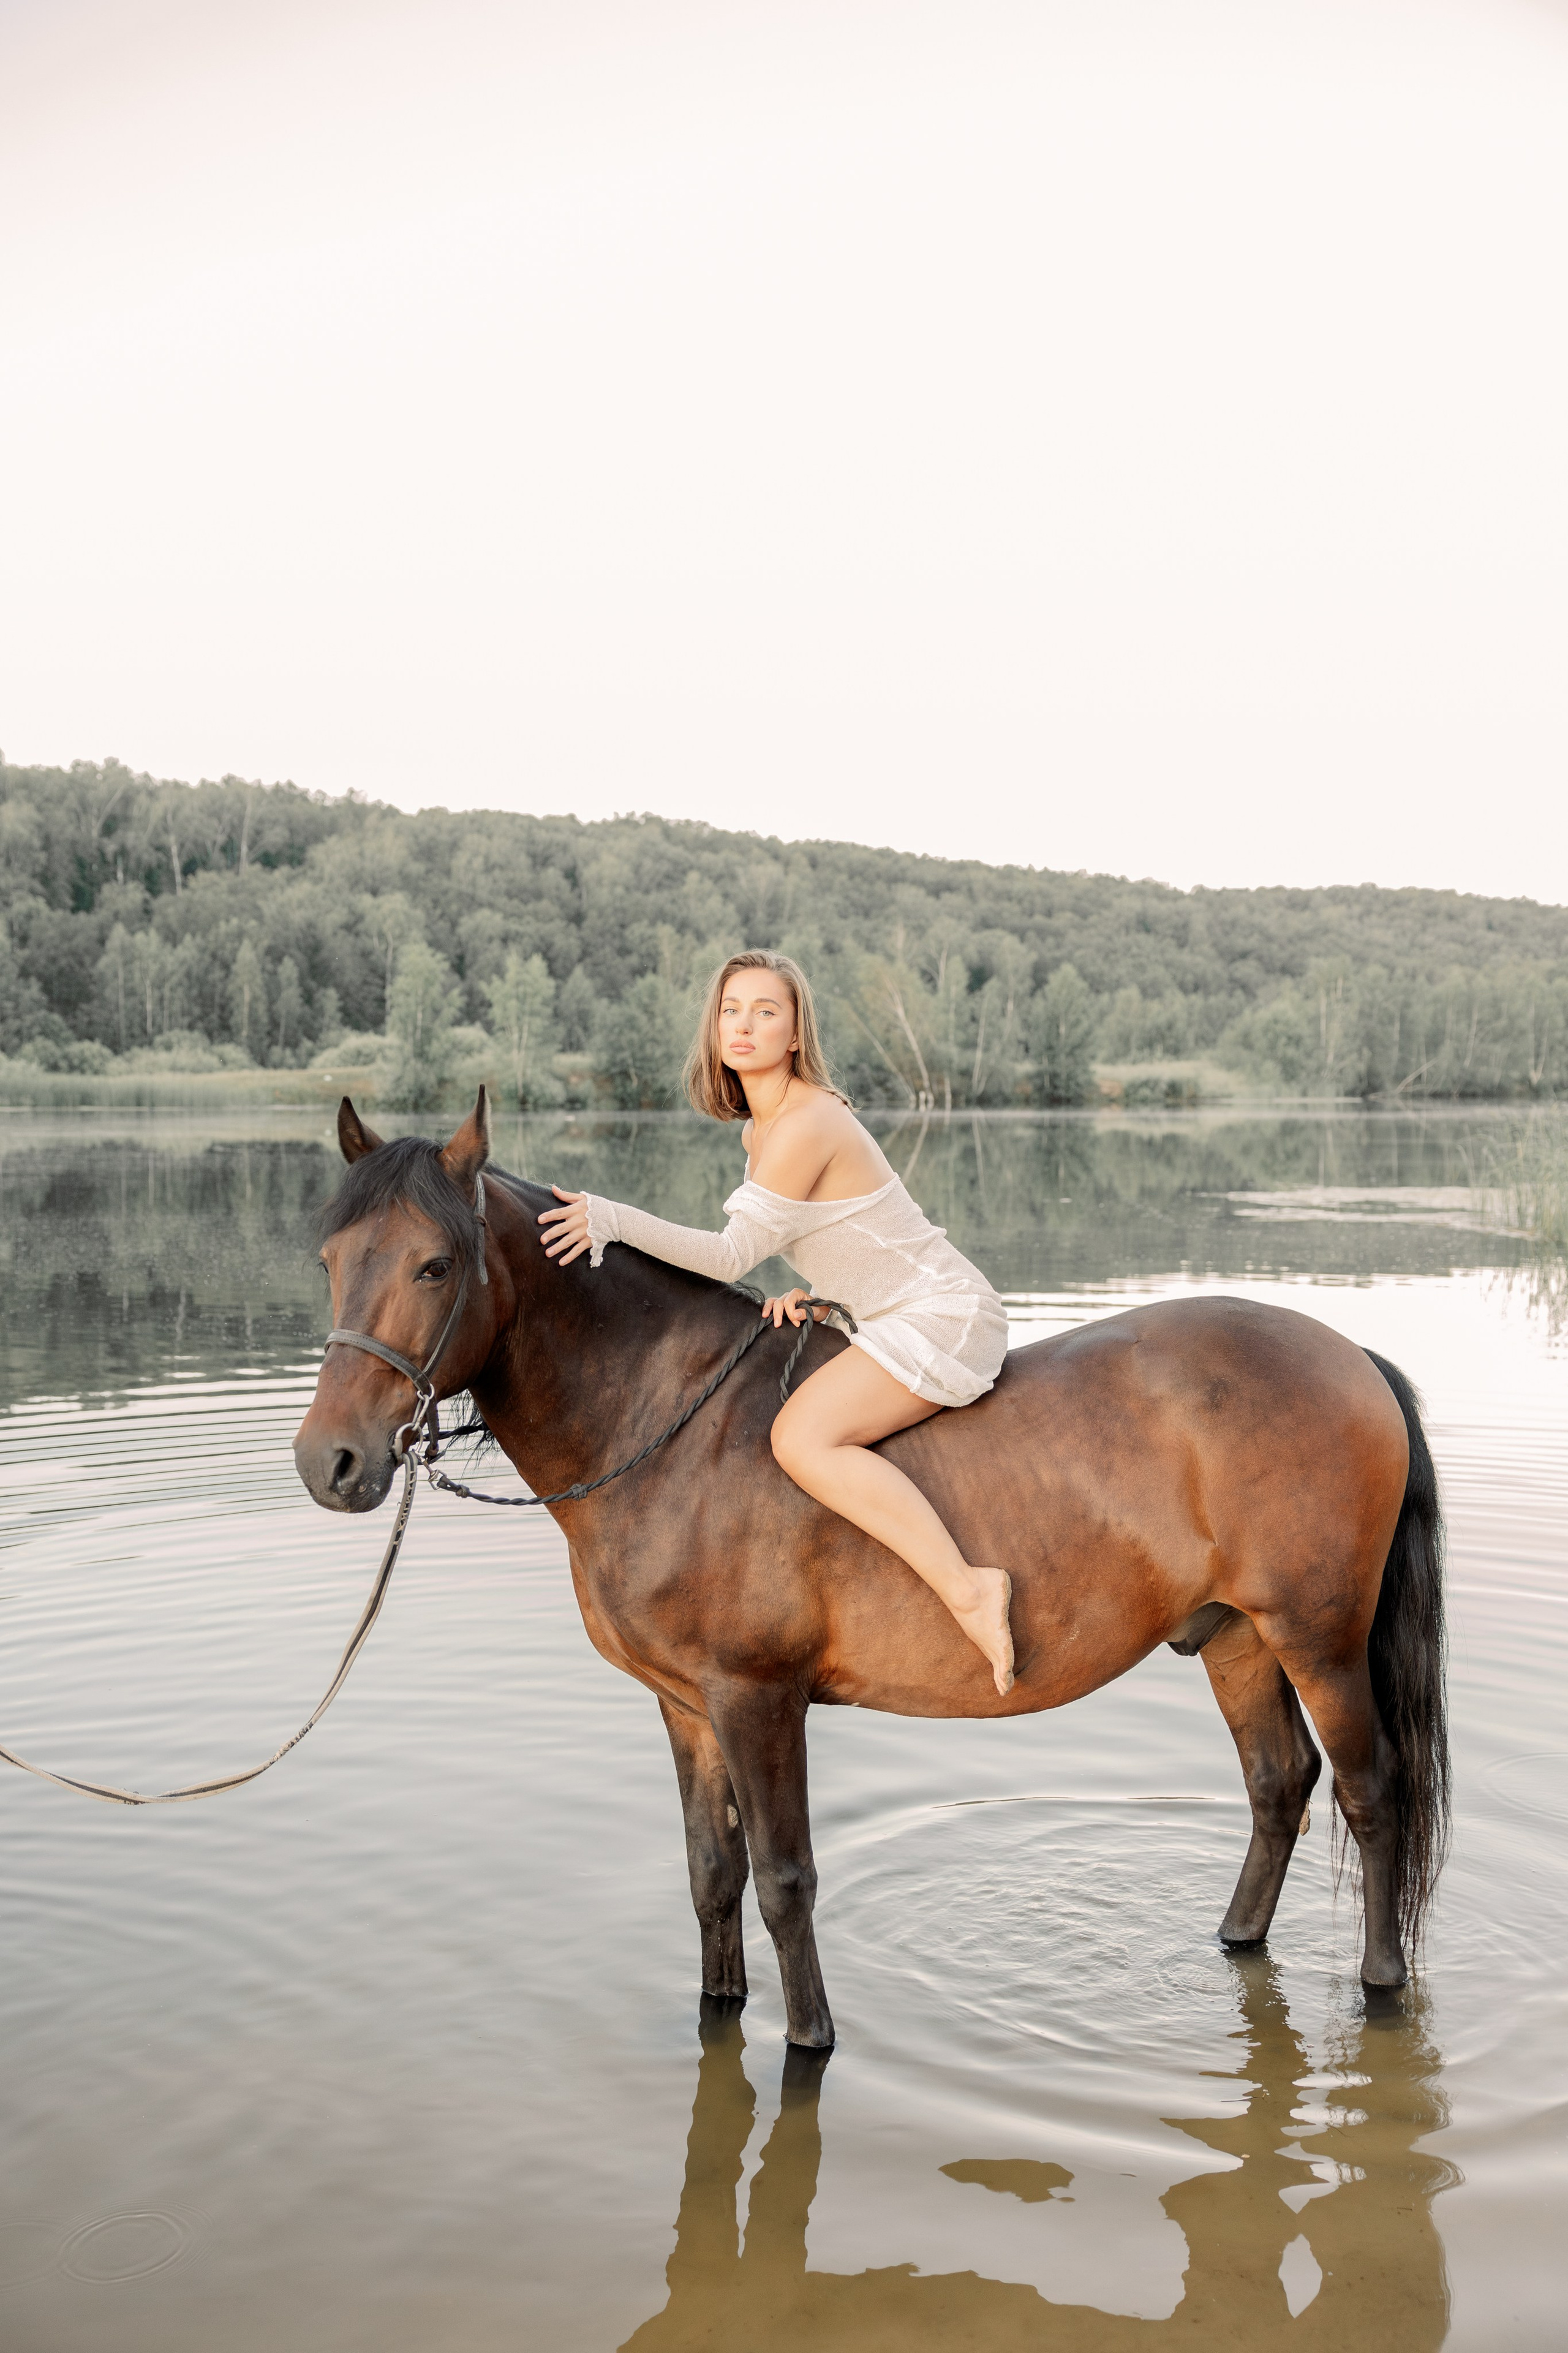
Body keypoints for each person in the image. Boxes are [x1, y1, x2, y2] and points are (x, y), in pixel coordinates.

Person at [538, 951, 1015, 1695]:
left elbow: (729, 1257)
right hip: (886, 1313)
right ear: (715, 1026)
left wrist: (613, 1219)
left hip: (943, 1315)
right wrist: (819, 1288)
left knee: (798, 1436)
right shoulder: (761, 1132)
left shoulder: (808, 1120)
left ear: (795, 1033)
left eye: (766, 1011)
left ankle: (967, 1588)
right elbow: (853, 1232)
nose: (745, 1025)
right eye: (732, 1009)